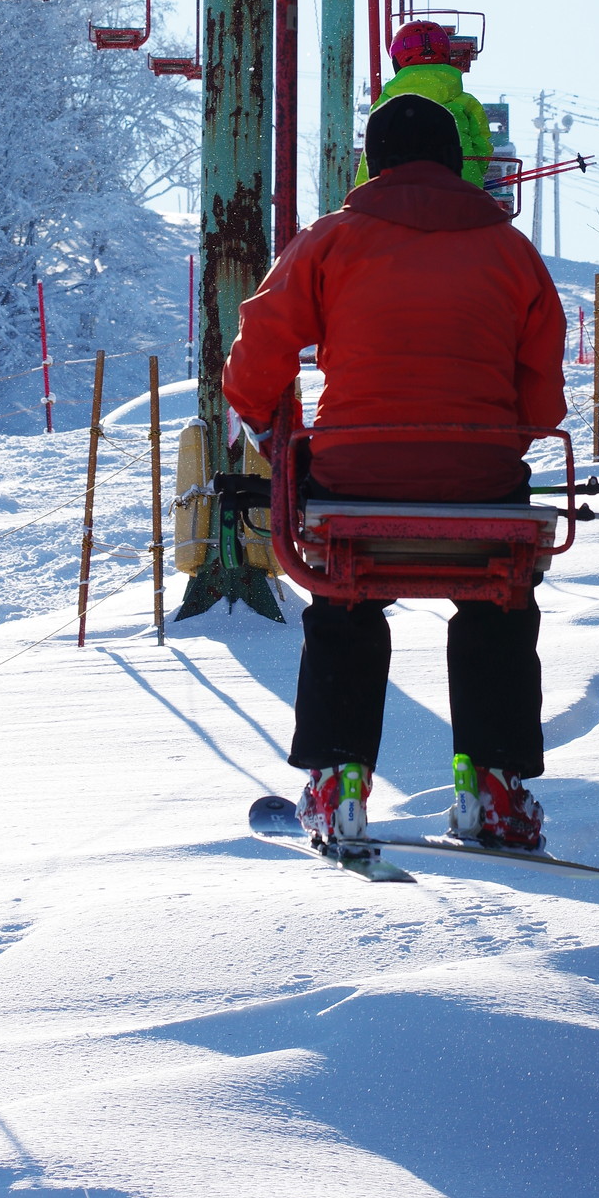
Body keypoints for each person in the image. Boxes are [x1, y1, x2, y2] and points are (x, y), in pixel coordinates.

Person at [222, 93, 566, 851]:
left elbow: (264, 337)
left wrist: (258, 417)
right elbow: (541, 407)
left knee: (344, 600)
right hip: (482, 485)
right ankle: (499, 786)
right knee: (498, 602)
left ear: (371, 164)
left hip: (356, 480)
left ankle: (338, 780)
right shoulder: (512, 254)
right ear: (455, 163)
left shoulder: (333, 241)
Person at [354, 20, 493, 189]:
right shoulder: (466, 102)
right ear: (446, 56)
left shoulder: (384, 106)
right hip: (459, 187)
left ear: (397, 62)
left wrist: (363, 191)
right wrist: (473, 175)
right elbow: (482, 147)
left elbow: (370, 157)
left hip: (397, 193)